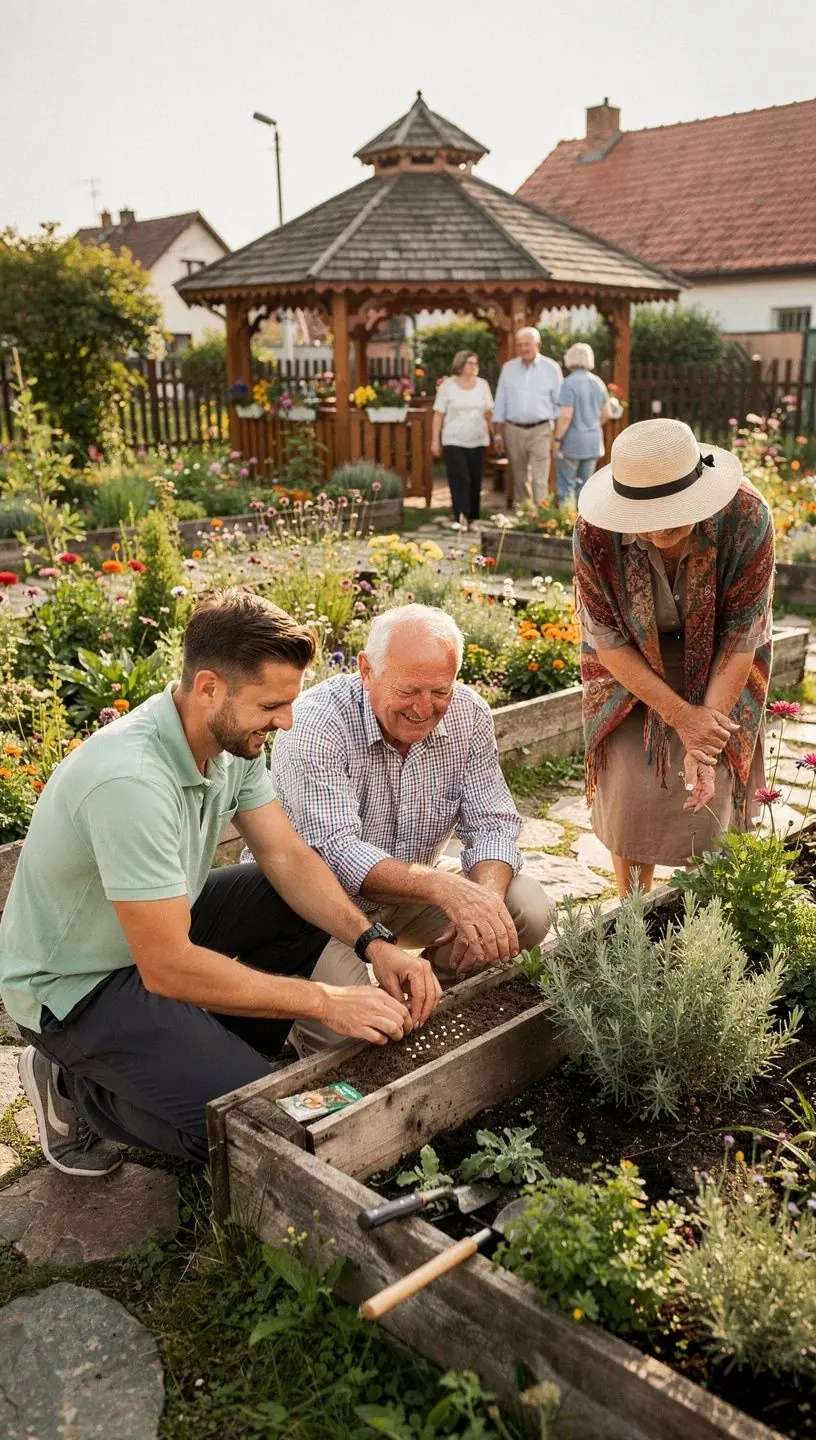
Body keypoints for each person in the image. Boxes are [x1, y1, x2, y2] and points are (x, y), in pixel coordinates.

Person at [0, 589, 441, 1173]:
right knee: (242, 1127)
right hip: (77, 982)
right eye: (272, 705)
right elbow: (167, 966)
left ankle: (211, 1057)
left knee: (289, 901)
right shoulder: (130, 781)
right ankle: (74, 1087)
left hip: (158, 927)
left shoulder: (231, 744)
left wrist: (374, 943)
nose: (286, 721)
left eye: (290, 703)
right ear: (209, 687)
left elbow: (286, 855)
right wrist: (324, 1000)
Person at [269, 604, 555, 1053]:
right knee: (358, 1034)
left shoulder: (469, 714)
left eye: (440, 690)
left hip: (406, 898)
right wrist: (445, 889)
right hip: (317, 910)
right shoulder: (316, 723)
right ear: (366, 670)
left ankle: (427, 1000)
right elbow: (336, 852)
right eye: (408, 691)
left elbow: (493, 821)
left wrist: (482, 902)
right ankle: (288, 1017)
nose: (424, 709)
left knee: (526, 909)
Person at [573, 418, 775, 899]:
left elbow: (740, 639)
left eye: (674, 512)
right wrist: (682, 717)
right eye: (646, 514)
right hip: (630, 659)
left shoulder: (747, 518)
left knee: (713, 793)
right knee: (631, 791)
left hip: (723, 652)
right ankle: (633, 911)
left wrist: (701, 743)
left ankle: (710, 911)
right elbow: (608, 642)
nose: (661, 526)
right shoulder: (594, 534)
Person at [492, 328, 562, 506]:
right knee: (519, 477)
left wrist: (557, 435)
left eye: (527, 344)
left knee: (540, 478)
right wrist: (498, 434)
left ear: (538, 344)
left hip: (542, 430)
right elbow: (500, 403)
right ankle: (524, 514)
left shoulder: (551, 368)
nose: (523, 348)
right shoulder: (508, 369)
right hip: (513, 430)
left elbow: (559, 405)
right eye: (520, 345)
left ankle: (541, 515)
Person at [431, 350, 494, 531]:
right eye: (470, 363)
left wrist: (495, 435)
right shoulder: (448, 386)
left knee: (475, 480)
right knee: (460, 478)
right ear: (460, 365)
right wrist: (435, 441)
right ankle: (460, 517)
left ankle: (473, 519)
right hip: (453, 440)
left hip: (478, 440)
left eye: (476, 363)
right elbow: (438, 415)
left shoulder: (482, 385)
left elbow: (489, 413)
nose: (474, 366)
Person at [552, 342, 612, 507]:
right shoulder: (598, 383)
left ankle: (567, 519)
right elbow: (606, 414)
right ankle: (585, 521)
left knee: (566, 486)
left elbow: (566, 416)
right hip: (592, 442)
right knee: (586, 488)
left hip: (571, 443)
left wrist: (556, 440)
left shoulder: (569, 383)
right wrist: (592, 425)